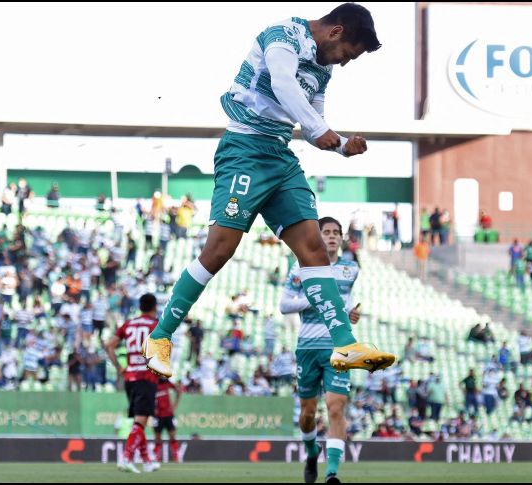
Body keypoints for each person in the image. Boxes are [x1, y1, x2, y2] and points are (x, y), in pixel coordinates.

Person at [143, 4, 394, 383]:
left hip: (279, 157)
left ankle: (344, 342)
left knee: (312, 248)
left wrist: (343, 145)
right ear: (336, 32)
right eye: (348, 55)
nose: (344, 64)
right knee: (219, 250)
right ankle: (160, 337)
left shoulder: (322, 67)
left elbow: (315, 119)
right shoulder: (282, 35)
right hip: (244, 151)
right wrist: (319, 129)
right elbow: (283, 85)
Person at [279, 217, 362, 484]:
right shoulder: (302, 266)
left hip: (340, 347)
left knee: (335, 408)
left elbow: (344, 303)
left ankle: (332, 472)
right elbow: (284, 305)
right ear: (317, 236)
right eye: (326, 232)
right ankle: (312, 451)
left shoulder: (351, 268)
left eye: (336, 232)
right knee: (308, 414)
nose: (332, 236)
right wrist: (315, 298)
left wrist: (349, 313)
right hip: (308, 347)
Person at [105, 294, 161, 474]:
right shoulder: (156, 325)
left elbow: (109, 345)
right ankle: (126, 458)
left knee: (139, 419)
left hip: (130, 378)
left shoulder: (129, 324)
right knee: (141, 421)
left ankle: (147, 460)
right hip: (147, 377)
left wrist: (119, 367)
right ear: (154, 306)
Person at [153, 378, 182, 463]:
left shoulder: (167, 382)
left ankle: (176, 456)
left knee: (172, 436)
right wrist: (153, 409)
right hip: (158, 416)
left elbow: (178, 391)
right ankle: (157, 457)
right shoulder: (153, 383)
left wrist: (175, 405)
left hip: (168, 415)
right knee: (157, 438)